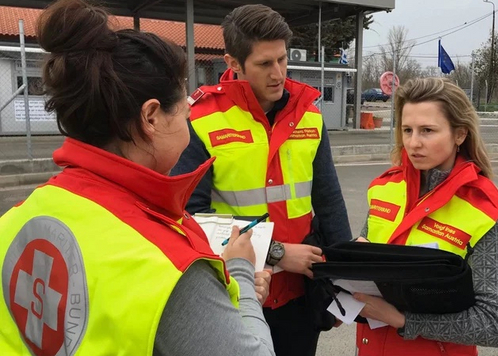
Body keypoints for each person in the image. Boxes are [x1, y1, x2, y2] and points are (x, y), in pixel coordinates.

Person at [0, 1, 275, 355]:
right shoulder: (170, 268)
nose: (190, 116)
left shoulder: (16, 221)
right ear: (151, 117)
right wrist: (240, 274)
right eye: (183, 109)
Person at [170, 4, 352, 356]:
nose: (278, 73)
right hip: (234, 293)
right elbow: (188, 216)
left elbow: (330, 203)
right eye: (264, 64)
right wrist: (278, 254)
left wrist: (347, 283)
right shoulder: (201, 120)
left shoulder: (310, 116)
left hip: (301, 297)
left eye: (282, 60)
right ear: (233, 63)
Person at [352, 77, 498, 356]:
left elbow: (494, 325)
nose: (413, 143)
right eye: (407, 130)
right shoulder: (384, 188)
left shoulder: (483, 209)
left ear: (460, 134)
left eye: (427, 130)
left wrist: (403, 320)